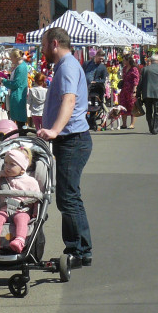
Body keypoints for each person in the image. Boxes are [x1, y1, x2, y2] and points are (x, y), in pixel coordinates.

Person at [38, 27, 93, 268]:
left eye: (43, 45)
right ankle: (80, 248)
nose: (41, 50)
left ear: (54, 44)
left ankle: (78, 250)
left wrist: (54, 130)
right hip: (70, 140)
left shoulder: (68, 66)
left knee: (68, 197)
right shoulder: (65, 66)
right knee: (69, 196)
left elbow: (69, 99)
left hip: (72, 140)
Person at [0, 146, 41, 253]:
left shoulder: (31, 182)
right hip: (5, 209)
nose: (7, 167)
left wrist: (36, 213)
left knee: (22, 219)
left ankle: (19, 240)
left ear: (23, 167)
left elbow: (37, 198)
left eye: (12, 164)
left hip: (22, 210)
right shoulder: (3, 180)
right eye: (5, 163)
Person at [3, 49, 29, 129]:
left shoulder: (21, 68)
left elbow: (16, 84)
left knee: (19, 121)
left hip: (18, 95)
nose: (10, 59)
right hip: (18, 94)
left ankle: (21, 137)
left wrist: (3, 81)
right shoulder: (20, 66)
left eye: (11, 57)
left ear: (16, 57)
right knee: (19, 121)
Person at [117, 52, 140, 129]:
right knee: (123, 105)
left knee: (132, 106)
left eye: (124, 60)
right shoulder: (124, 69)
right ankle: (124, 124)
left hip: (131, 89)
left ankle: (132, 124)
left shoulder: (134, 69)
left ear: (128, 60)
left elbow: (136, 80)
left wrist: (134, 91)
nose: (123, 62)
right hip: (124, 89)